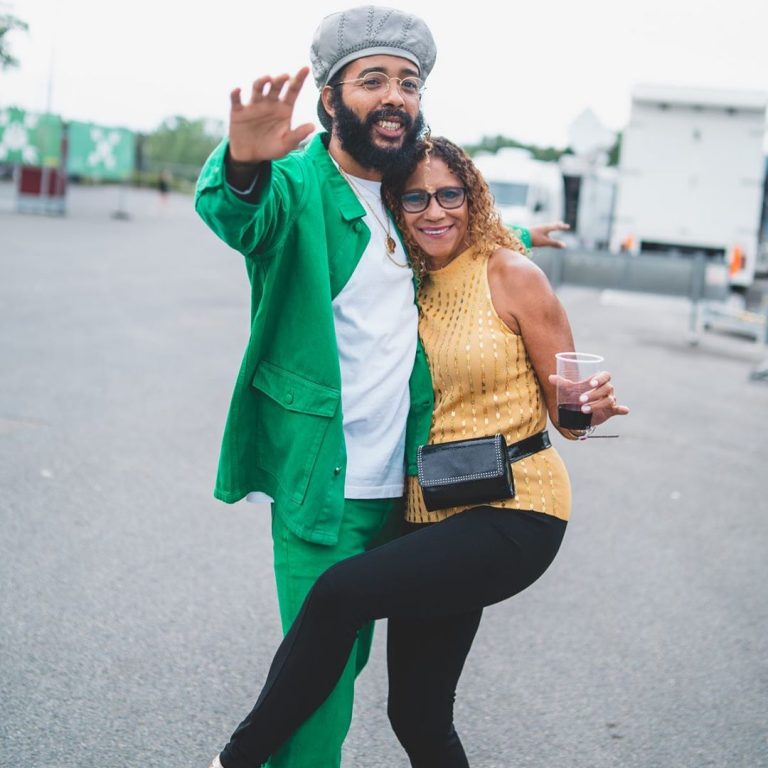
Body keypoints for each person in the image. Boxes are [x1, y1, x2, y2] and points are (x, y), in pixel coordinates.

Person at [196, 7, 564, 768]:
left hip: (414, 492)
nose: (395, 94)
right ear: (330, 98)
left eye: (409, 81)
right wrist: (241, 167)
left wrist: (522, 237)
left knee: (384, 684)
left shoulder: (405, 190)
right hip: (326, 489)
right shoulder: (297, 184)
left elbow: (452, 233)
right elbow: (242, 218)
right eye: (373, 80)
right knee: (320, 694)